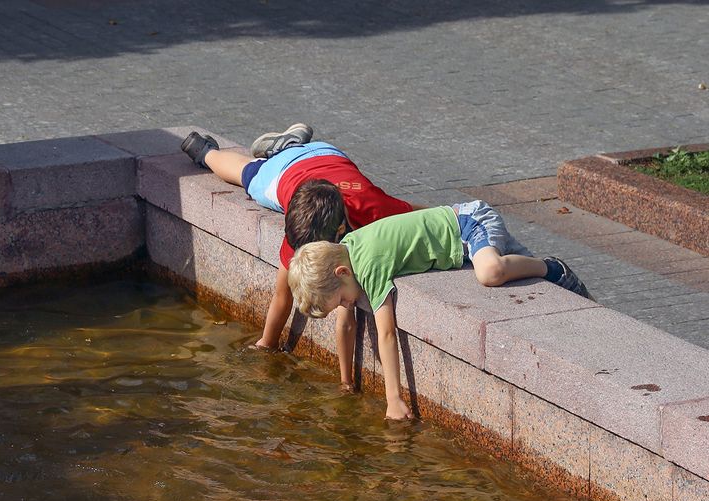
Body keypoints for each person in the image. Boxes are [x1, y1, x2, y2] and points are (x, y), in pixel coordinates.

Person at [286, 200, 592, 420]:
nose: (346, 305)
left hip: (469, 223)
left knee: (490, 272)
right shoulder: (347, 251)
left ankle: (551, 267)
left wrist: (393, 399)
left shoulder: (369, 266)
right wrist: (346, 383)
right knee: (496, 267)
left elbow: (387, 333)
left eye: (341, 299)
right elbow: (345, 324)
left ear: (341, 273)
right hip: (461, 227)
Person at [181, 124, 419, 390]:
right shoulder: (299, 231)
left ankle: (266, 148)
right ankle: (207, 153)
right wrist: (267, 344)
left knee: (246, 172)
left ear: (341, 230)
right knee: (248, 176)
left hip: (327, 155)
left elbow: (419, 215)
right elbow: (282, 294)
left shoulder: (372, 208)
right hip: (287, 172)